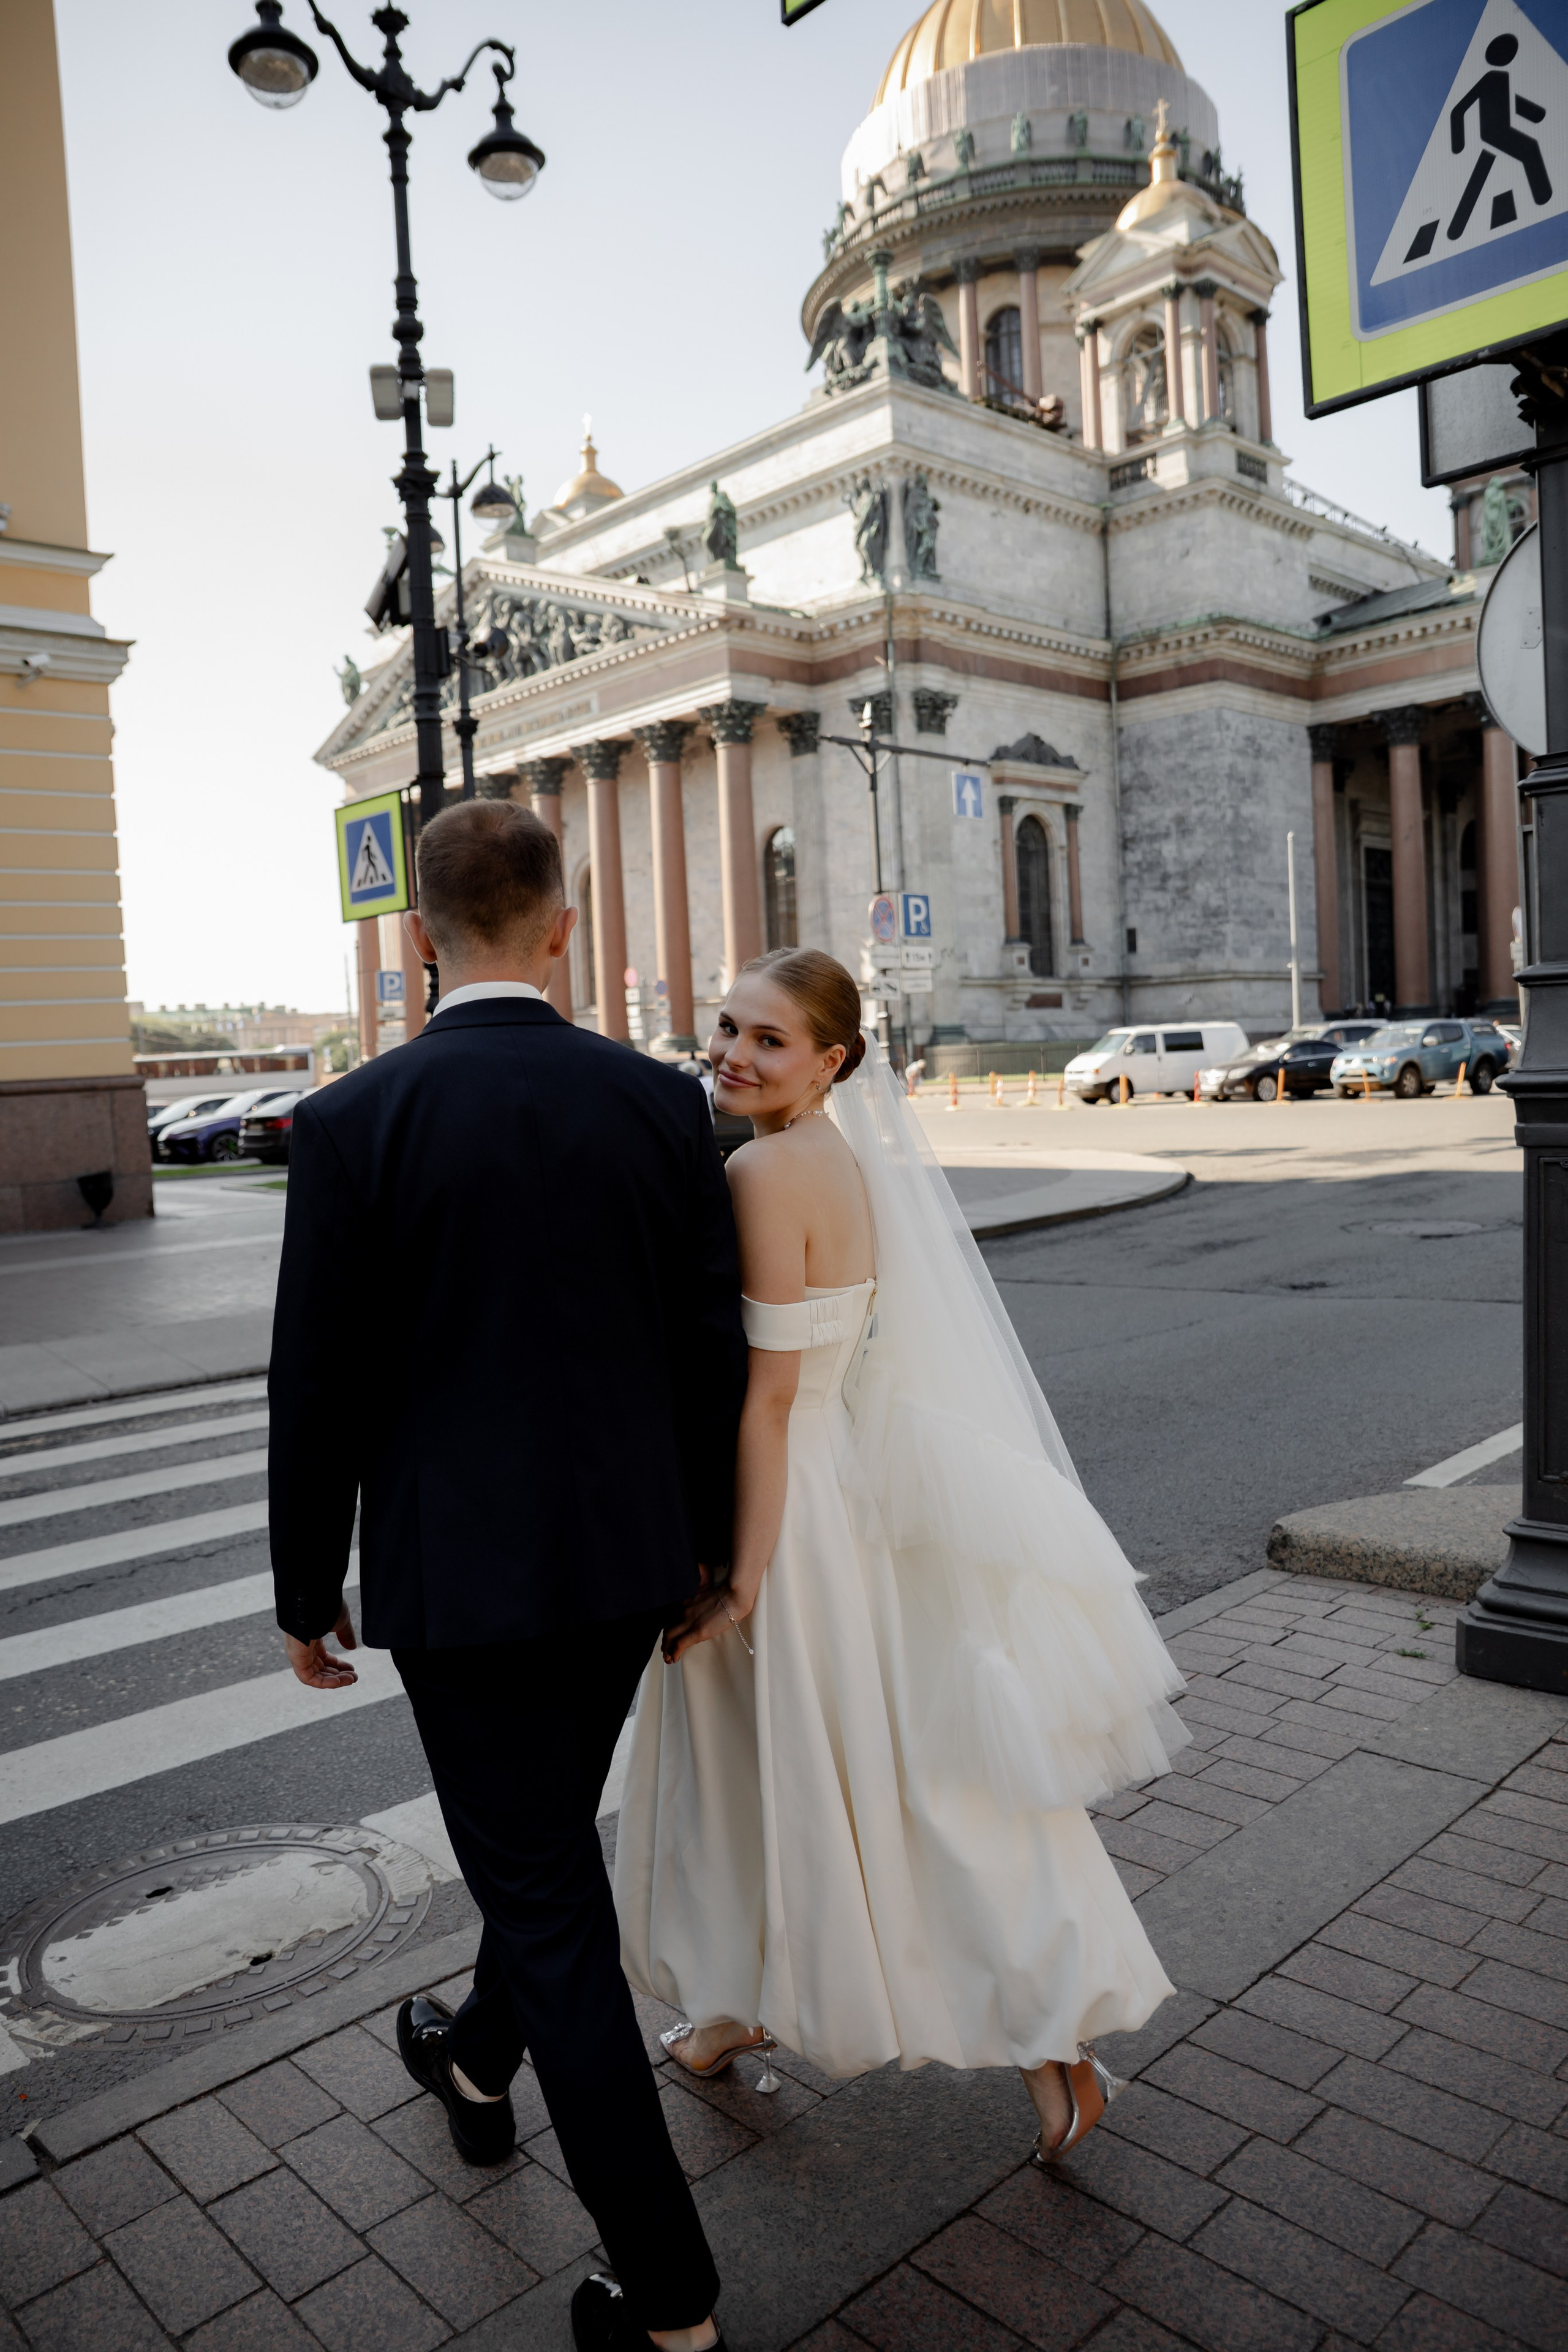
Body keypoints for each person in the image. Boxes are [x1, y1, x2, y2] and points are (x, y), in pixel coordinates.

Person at [268, 799, 745, 2352]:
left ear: (420, 934)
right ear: (562, 926)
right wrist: (709, 1549)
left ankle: (669, 2297)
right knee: (538, 1850)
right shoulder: (658, 1102)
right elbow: (709, 1349)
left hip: (457, 1579)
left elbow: (315, 1381)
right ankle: (475, 2065)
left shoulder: (354, 1119)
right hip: (626, 1562)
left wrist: (304, 1586)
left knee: (541, 1894)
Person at [614, 949, 1185, 2161]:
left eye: (769, 1039)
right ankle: (741, 2013)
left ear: (830, 1060)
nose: (733, 1053)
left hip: (787, 1507)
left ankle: (1028, 2040)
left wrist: (744, 1576)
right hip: (841, 1486)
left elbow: (771, 1397)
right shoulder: (846, 1158)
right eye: (728, 1027)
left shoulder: (763, 1170)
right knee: (865, 1776)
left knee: (806, 1779)